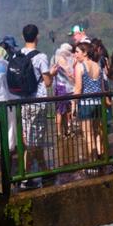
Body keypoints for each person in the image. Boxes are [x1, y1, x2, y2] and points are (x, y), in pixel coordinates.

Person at [19, 24, 52, 185]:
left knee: (31, 138)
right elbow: (47, 82)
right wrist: (51, 73)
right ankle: (25, 176)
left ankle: (45, 171)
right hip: (37, 102)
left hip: (22, 102)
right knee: (34, 140)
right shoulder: (41, 57)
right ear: (37, 36)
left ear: (23, 36)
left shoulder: (17, 55)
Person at [73, 42, 104, 166]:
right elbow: (101, 87)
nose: (75, 55)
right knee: (96, 132)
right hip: (97, 102)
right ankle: (99, 156)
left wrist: (74, 105)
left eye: (77, 52)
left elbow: (78, 88)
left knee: (87, 134)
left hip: (85, 103)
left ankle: (92, 162)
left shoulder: (80, 66)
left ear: (85, 52)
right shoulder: (98, 65)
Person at [50, 43, 75, 137]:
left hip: (60, 87)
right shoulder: (61, 59)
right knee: (61, 111)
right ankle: (60, 132)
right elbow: (68, 71)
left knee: (64, 111)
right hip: (63, 88)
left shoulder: (55, 58)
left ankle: (65, 130)